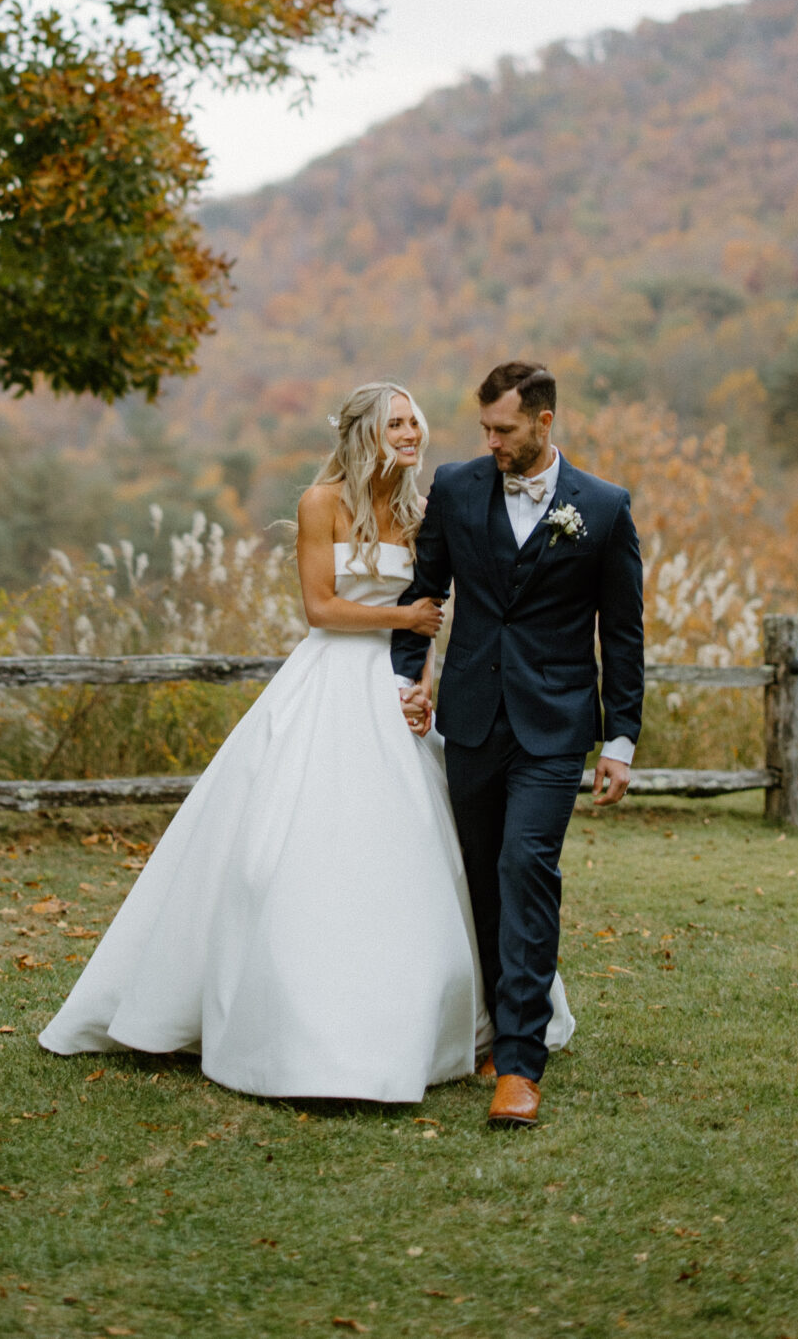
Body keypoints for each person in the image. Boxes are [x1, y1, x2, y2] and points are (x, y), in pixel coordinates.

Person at [38, 380, 573, 1101]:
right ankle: (281, 1016)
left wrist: (420, 683)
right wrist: (402, 623)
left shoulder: (421, 510)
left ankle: (454, 1017)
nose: (412, 434)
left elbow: (442, 605)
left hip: (392, 690)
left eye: (416, 423)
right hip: (329, 679)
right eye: (396, 424)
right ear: (361, 433)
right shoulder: (319, 504)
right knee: (288, 849)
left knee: (419, 848)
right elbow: (320, 608)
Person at [394, 361, 644, 1130]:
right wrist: (404, 682)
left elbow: (623, 632)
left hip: (554, 724)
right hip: (467, 717)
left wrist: (621, 738)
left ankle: (520, 1066)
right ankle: (496, 1034)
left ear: (542, 422)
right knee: (479, 878)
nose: (490, 441)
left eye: (503, 429)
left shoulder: (601, 509)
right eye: (484, 429)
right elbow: (421, 595)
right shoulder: (457, 487)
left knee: (524, 865)